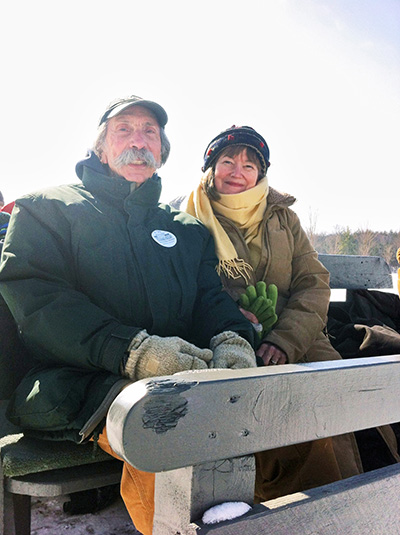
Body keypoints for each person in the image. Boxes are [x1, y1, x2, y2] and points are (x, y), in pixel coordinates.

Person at [0, 97, 258, 535]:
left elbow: (209, 300)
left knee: (263, 412)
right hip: (76, 382)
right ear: (100, 147)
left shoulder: (185, 230)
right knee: (163, 422)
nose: (138, 141)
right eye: (124, 130)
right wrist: (132, 352)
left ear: (161, 151)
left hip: (178, 377)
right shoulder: (47, 210)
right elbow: (40, 301)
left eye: (149, 133)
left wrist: (232, 339)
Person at [183, 125, 363, 502]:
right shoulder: (188, 219)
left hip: (299, 339)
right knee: (267, 415)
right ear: (210, 168)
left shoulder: (283, 218)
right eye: (227, 161)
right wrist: (237, 319)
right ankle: (276, 510)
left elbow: (313, 283)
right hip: (228, 342)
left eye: (250, 164)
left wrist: (285, 339)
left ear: (261, 173)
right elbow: (186, 288)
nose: (238, 171)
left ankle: (348, 505)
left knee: (332, 403)